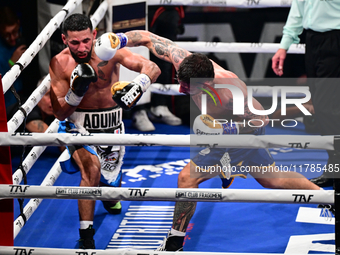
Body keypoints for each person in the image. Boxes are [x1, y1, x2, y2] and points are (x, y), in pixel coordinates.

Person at [122, 30, 322, 251]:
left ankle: (174, 244)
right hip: (219, 135)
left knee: (187, 179)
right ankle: (327, 197)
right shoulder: (184, 62)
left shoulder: (231, 92)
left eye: (189, 87)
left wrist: (223, 129)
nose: (181, 89)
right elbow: (146, 37)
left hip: (241, 136)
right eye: (181, 82)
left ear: (207, 83)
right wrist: (117, 40)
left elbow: (261, 121)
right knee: (273, 180)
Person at [49, 14, 160, 249]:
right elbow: (59, 112)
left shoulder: (110, 50)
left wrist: (138, 85)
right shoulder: (60, 63)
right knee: (91, 171)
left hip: (113, 125)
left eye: (86, 41)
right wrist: (75, 92)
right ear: (64, 39)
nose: (82, 48)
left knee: (111, 189)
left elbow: (152, 67)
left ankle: (110, 191)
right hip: (78, 125)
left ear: (95, 35)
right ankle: (86, 238)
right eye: (74, 42)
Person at [271, 0, 340, 187]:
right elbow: (298, 9)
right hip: (312, 40)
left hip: (336, 38)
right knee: (320, 108)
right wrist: (283, 46)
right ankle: (334, 169)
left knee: (328, 109)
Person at [0, 6, 26, 107]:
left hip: (27, 93)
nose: (12, 38)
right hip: (9, 102)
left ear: (18, 24)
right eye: (7, 35)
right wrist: (11, 63)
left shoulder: (27, 33)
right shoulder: (1, 51)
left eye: (14, 32)